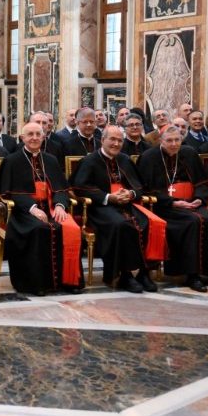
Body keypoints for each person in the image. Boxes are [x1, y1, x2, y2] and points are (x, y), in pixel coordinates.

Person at [0, 121, 83, 295]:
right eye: (30, 134)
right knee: (38, 229)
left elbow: (60, 188)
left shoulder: (50, 159)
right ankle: (37, 283)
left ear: (43, 137)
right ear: (22, 138)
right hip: (23, 212)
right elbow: (11, 193)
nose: (34, 138)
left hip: (51, 207)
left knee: (68, 228)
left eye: (38, 134)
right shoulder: (12, 160)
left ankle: (68, 281)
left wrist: (59, 205)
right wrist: (32, 207)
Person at [71, 126, 162, 293]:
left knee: (148, 222)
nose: (116, 143)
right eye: (112, 139)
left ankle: (143, 273)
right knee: (121, 224)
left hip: (127, 204)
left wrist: (131, 193)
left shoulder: (125, 160)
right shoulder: (90, 161)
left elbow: (141, 186)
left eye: (120, 140)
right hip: (100, 208)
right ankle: (124, 275)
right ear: (102, 140)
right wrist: (108, 197)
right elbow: (80, 188)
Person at [137, 126, 208, 292]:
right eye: (169, 140)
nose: (173, 144)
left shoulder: (189, 153)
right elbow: (145, 189)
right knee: (192, 222)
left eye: (177, 140)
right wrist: (172, 202)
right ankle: (192, 275)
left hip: (192, 203)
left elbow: (201, 182)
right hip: (164, 207)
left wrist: (199, 198)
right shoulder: (149, 157)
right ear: (160, 141)